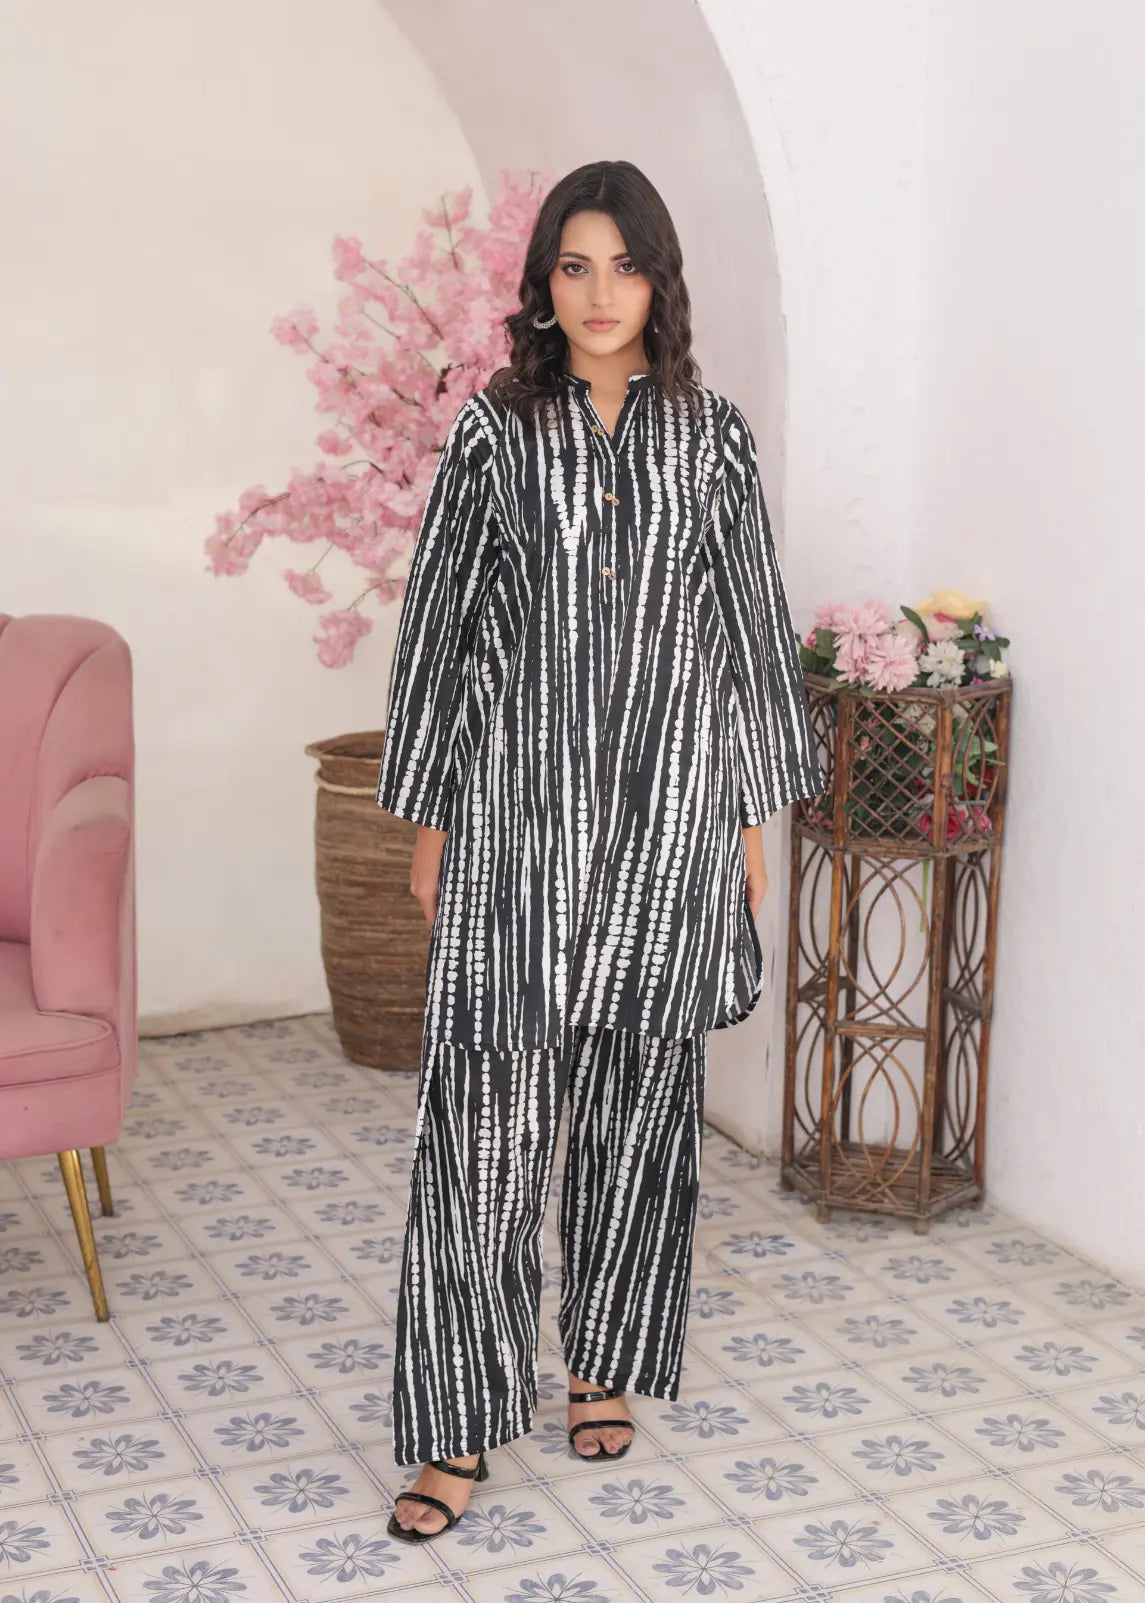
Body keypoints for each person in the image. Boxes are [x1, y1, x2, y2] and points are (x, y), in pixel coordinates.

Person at [376, 159, 825, 1543]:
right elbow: (440, 630)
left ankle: (602, 1365)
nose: (599, 293)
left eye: (623, 266)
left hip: (668, 825)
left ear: (659, 280)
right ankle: (454, 1427)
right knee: (482, 1133)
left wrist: (747, 821)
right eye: (574, 267)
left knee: (640, 1121)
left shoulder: (712, 438)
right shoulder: (493, 432)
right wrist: (432, 821)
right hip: (513, 828)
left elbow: (748, 632)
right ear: (542, 285)